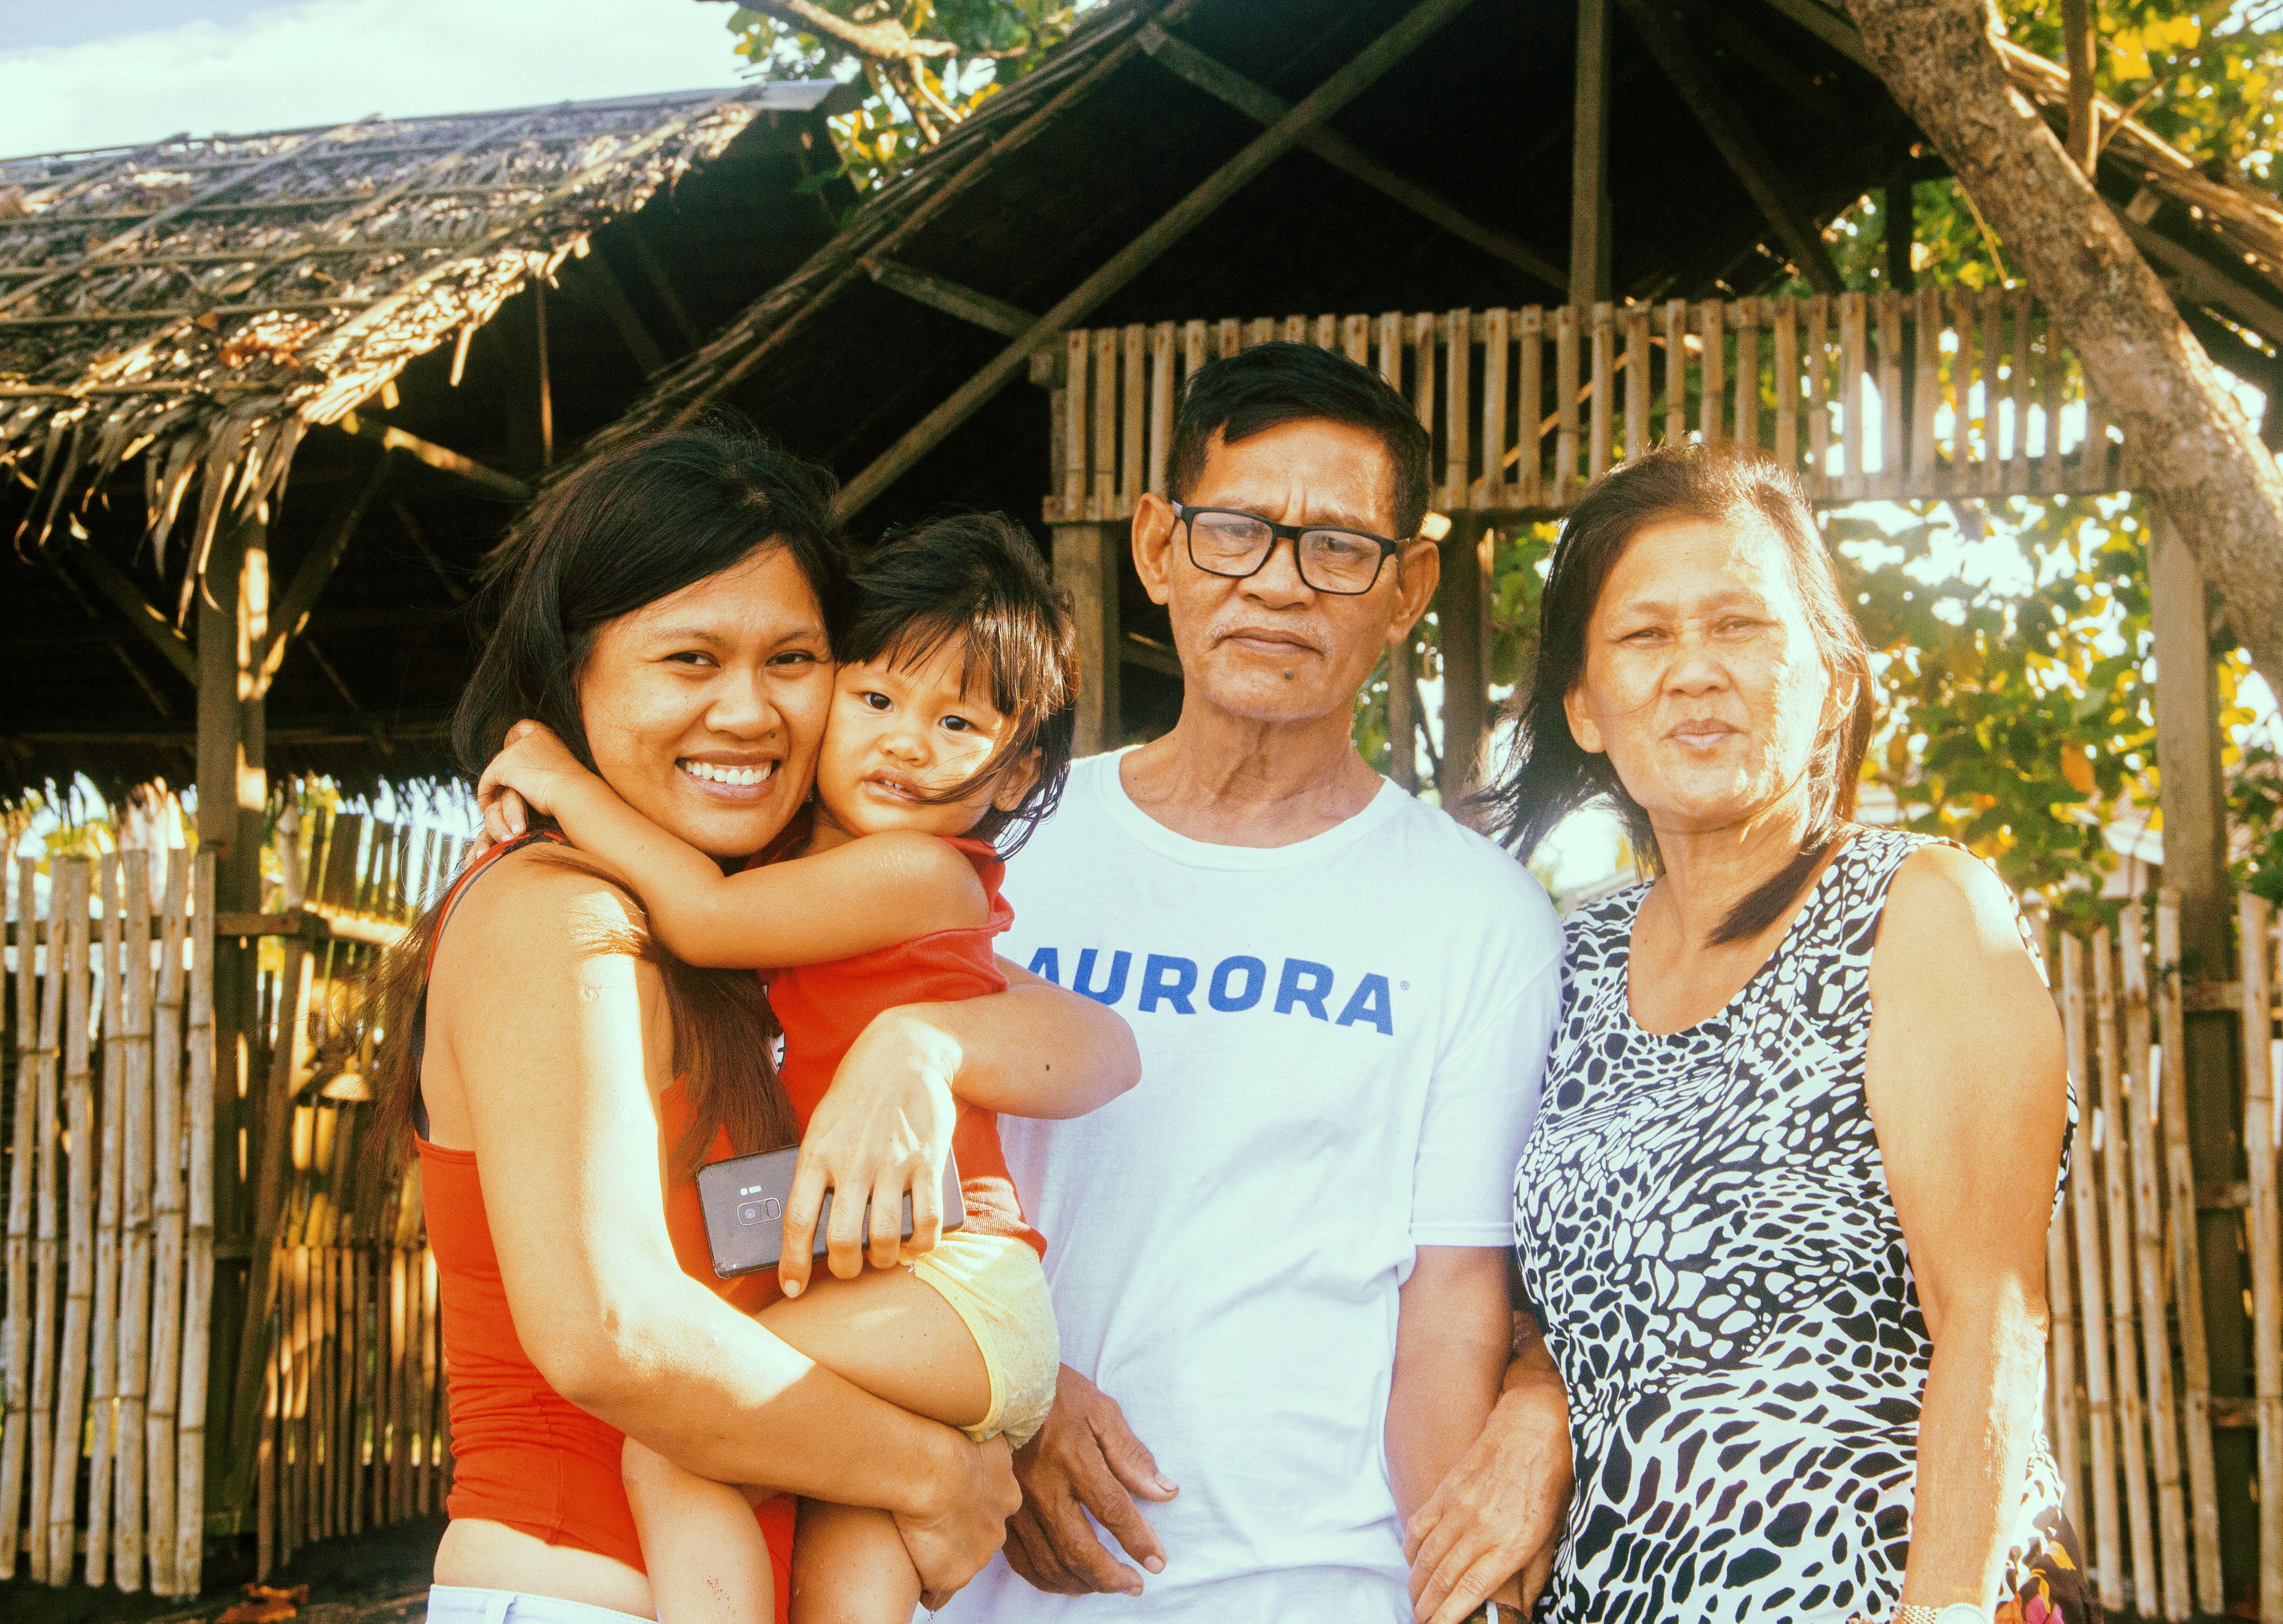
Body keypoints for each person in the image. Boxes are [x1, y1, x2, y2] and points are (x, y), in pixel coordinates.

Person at [376, 430, 1138, 1624]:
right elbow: (613, 1337)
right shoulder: (558, 914)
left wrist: (926, 1048)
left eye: (793, 659)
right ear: (571, 672)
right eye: (688, 659)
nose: (746, 709)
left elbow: (1084, 1036)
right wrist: (936, 1468)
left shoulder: (779, 932)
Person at [944, 343, 1576, 1624]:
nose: (1280, 587)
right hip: (984, 1569)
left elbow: (1452, 1300)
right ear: (1158, 545)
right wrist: (1013, 1389)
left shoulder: (1482, 918)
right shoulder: (995, 849)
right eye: (1237, 531)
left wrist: (1446, 1596)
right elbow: (837, 1178)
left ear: (1408, 590)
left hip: (1313, 1582)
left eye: (1338, 548)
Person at [1480, 443, 2087, 1624]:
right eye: (1645, 638)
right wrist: (1537, 1389)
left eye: (1743, 626)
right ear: (1586, 710)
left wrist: (1948, 1612)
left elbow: (1993, 1312)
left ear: (1832, 681)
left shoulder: (1917, 910)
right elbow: (1574, 1296)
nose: (1695, 672)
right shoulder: (1572, 960)